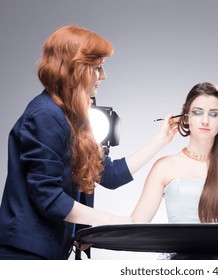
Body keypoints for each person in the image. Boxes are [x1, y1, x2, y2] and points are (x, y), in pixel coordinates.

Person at [0, 25, 177, 260]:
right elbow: (48, 198)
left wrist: (160, 140)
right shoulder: (45, 115)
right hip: (24, 254)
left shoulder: (75, 115)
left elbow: (110, 175)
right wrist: (111, 222)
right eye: (98, 68)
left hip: (51, 252)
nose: (103, 76)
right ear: (76, 70)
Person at [131, 82, 218, 225]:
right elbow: (134, 225)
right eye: (197, 112)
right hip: (179, 247)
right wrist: (107, 219)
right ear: (186, 117)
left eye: (214, 114)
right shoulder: (164, 167)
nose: (205, 121)